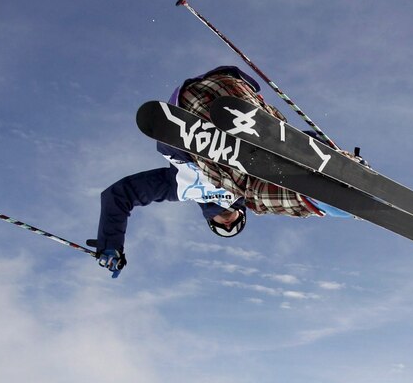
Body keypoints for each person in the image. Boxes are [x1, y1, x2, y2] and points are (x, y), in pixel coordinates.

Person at [95, 65, 352, 278]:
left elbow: (120, 194)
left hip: (202, 106)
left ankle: (312, 197)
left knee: (254, 193)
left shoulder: (178, 187)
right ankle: (325, 189)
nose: (227, 223)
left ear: (210, 219)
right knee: (266, 172)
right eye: (235, 225)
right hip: (226, 98)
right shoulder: (250, 183)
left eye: (222, 228)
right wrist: (330, 156)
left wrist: (111, 244)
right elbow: (287, 144)